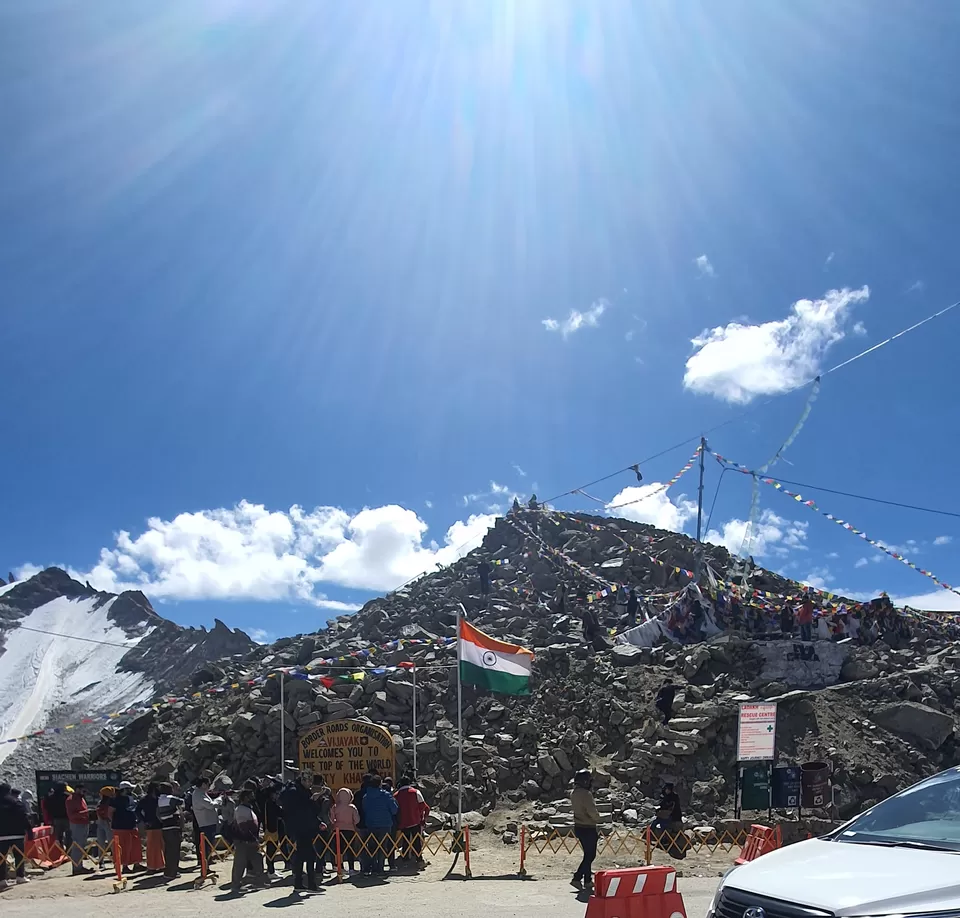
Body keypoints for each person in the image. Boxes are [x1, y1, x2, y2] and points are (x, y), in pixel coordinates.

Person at [280, 772, 323, 892]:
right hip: (302, 828)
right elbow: (303, 809)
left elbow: (308, 810)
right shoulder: (296, 792)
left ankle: (298, 883)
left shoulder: (299, 791)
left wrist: (318, 822)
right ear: (303, 780)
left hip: (301, 827)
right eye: (308, 781)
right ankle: (311, 884)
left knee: (300, 856)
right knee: (310, 856)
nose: (310, 784)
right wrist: (313, 800)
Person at [358, 775, 398, 876]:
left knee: (372, 846)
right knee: (382, 846)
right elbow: (394, 809)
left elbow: (365, 809)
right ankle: (380, 868)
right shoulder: (386, 795)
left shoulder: (366, 797)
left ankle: (373, 867)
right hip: (385, 824)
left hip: (370, 824)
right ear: (380, 784)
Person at [229, 788, 267, 891]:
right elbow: (243, 827)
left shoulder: (248, 808)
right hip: (244, 841)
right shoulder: (241, 810)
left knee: (257, 860)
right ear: (245, 798)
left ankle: (259, 882)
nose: (253, 798)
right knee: (240, 863)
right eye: (251, 796)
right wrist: (251, 838)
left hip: (251, 840)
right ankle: (236, 885)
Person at [570, 770, 600, 891]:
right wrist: (598, 818)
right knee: (590, 855)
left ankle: (587, 880)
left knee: (587, 854)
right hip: (588, 826)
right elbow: (591, 811)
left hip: (579, 826)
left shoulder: (574, 793)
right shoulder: (586, 794)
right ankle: (577, 878)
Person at [0, 783, 31, 889]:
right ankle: (20, 876)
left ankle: (2, 880)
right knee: (19, 856)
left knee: (1, 858)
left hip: (1, 835)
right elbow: (24, 817)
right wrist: (29, 830)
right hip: (17, 834)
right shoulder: (17, 802)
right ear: (9, 791)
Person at [394, 776, 429, 867]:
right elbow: (423, 805)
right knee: (416, 841)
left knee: (405, 840)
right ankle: (419, 859)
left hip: (403, 822)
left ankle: (405, 858)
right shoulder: (415, 792)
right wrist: (420, 816)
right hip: (415, 820)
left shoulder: (396, 795)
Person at [110, 782, 142, 871]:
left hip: (132, 825)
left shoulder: (130, 798)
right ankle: (125, 866)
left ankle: (137, 864)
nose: (131, 791)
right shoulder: (115, 800)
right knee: (124, 847)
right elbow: (110, 812)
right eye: (129, 789)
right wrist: (114, 821)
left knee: (135, 845)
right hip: (120, 827)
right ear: (124, 789)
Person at [156, 782, 184, 881]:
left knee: (168, 851)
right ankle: (172, 872)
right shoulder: (170, 799)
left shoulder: (159, 800)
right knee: (174, 851)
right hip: (173, 827)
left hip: (165, 827)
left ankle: (168, 871)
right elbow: (182, 801)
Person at [191, 777, 221, 868]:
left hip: (208, 822)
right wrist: (220, 799)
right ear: (203, 784)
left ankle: (206, 866)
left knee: (208, 846)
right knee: (206, 846)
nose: (209, 786)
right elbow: (210, 805)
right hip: (206, 823)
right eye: (208, 784)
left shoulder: (201, 793)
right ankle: (205, 867)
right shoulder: (198, 795)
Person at [331, 787, 360, 874]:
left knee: (339, 849)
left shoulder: (335, 807)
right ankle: (351, 868)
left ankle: (339, 866)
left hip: (337, 830)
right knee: (350, 849)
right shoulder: (352, 807)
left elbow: (332, 819)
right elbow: (357, 819)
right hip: (350, 830)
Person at [65, 784, 92, 875]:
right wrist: (86, 813)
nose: (84, 793)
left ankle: (80, 866)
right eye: (83, 791)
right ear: (77, 789)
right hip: (77, 824)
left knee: (81, 846)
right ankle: (77, 868)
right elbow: (72, 815)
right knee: (77, 846)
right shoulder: (71, 800)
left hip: (84, 823)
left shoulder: (81, 799)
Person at [137, 783, 164, 873]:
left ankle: (161, 865)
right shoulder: (145, 799)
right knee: (152, 847)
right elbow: (137, 811)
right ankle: (151, 867)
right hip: (151, 825)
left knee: (161, 846)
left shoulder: (159, 798)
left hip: (160, 824)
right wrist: (144, 820)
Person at [261, 781, 284, 876]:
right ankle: (270, 871)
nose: (277, 795)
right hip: (271, 829)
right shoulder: (271, 804)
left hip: (271, 828)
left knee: (272, 850)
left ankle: (272, 869)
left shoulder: (267, 803)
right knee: (271, 850)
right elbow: (279, 813)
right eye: (276, 794)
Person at [42, 783, 70, 852]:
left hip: (56, 819)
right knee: (69, 836)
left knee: (58, 836)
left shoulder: (51, 797)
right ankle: (69, 851)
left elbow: (46, 806)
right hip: (67, 818)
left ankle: (60, 851)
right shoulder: (67, 796)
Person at [94, 787, 114, 867]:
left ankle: (114, 861)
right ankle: (102, 861)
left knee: (108, 843)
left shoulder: (108, 803)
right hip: (104, 823)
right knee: (104, 843)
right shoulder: (102, 802)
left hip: (105, 823)